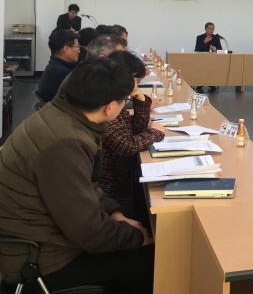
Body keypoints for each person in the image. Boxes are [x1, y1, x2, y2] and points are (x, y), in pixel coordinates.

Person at [0, 57, 153, 293]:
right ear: (110, 107)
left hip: (43, 235)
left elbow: (83, 187)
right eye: (125, 100)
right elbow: (90, 233)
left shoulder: (61, 115)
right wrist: (138, 237)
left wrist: (115, 212)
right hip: (37, 261)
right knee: (151, 260)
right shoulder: (66, 143)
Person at [100, 51, 165, 224]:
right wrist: (155, 133)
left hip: (123, 180)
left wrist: (140, 98)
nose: (137, 85)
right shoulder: (106, 104)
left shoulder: (116, 98)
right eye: (135, 81)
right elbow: (127, 145)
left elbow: (135, 130)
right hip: (112, 190)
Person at [36, 29, 80, 103]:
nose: (79, 51)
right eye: (77, 47)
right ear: (66, 49)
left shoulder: (55, 65)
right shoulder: (62, 73)